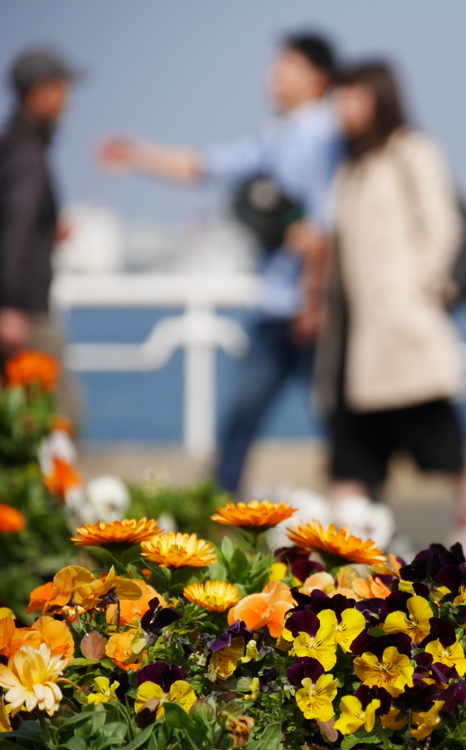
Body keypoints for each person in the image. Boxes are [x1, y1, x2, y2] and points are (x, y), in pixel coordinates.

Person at [98, 33, 341, 494]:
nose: (273, 75)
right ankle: (225, 509)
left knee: (298, 419)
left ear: (317, 77)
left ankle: (349, 508)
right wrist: (137, 154)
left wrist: (313, 301)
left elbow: (321, 231)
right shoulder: (277, 136)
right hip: (278, 305)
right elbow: (205, 166)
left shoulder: (320, 136)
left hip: (305, 308)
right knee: (264, 419)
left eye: (285, 65)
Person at [315, 61, 466, 551]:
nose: (342, 107)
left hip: (401, 330)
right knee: (351, 452)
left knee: (437, 442)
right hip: (356, 337)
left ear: (378, 98)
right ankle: (344, 554)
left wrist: (417, 293)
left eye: (352, 96)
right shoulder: (354, 163)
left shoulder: (411, 150)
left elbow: (442, 225)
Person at [0, 48, 81, 419]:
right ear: (41, 92)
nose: (67, 101)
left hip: (19, 307)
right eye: (62, 89)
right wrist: (12, 304)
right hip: (25, 312)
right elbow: (16, 227)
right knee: (62, 415)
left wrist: (49, 230)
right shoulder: (27, 155)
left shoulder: (16, 147)